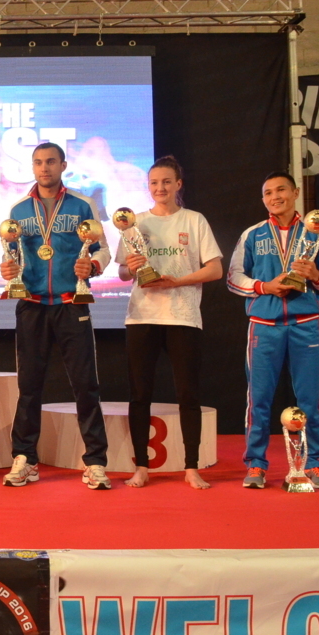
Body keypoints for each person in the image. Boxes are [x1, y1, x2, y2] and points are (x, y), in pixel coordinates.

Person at [0, 142, 113, 490]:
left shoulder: (82, 204)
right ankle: (25, 458)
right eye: (38, 162)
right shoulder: (18, 210)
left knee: (85, 385)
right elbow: (10, 253)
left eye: (50, 161)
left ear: (63, 165)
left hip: (71, 302)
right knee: (29, 386)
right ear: (32, 167)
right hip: (31, 304)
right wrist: (7, 269)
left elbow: (103, 250)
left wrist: (93, 266)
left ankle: (95, 461)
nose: (44, 168)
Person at [115, 156, 222, 490]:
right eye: (153, 183)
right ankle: (141, 467)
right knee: (139, 394)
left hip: (183, 317)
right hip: (142, 316)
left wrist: (177, 281)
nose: (159, 188)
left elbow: (215, 269)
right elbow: (122, 273)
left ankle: (191, 467)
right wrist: (132, 267)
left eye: (166, 182)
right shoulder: (134, 224)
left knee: (188, 394)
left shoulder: (194, 220)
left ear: (178, 184)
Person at [227, 171, 319, 489]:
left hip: (305, 324)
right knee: (259, 399)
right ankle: (256, 465)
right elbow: (234, 278)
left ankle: (314, 463)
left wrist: (316, 275)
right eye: (268, 193)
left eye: (280, 190)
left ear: (295, 193)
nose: (274, 197)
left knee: (310, 399)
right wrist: (264, 286)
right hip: (264, 326)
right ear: (263, 199)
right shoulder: (253, 234)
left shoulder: (315, 233)